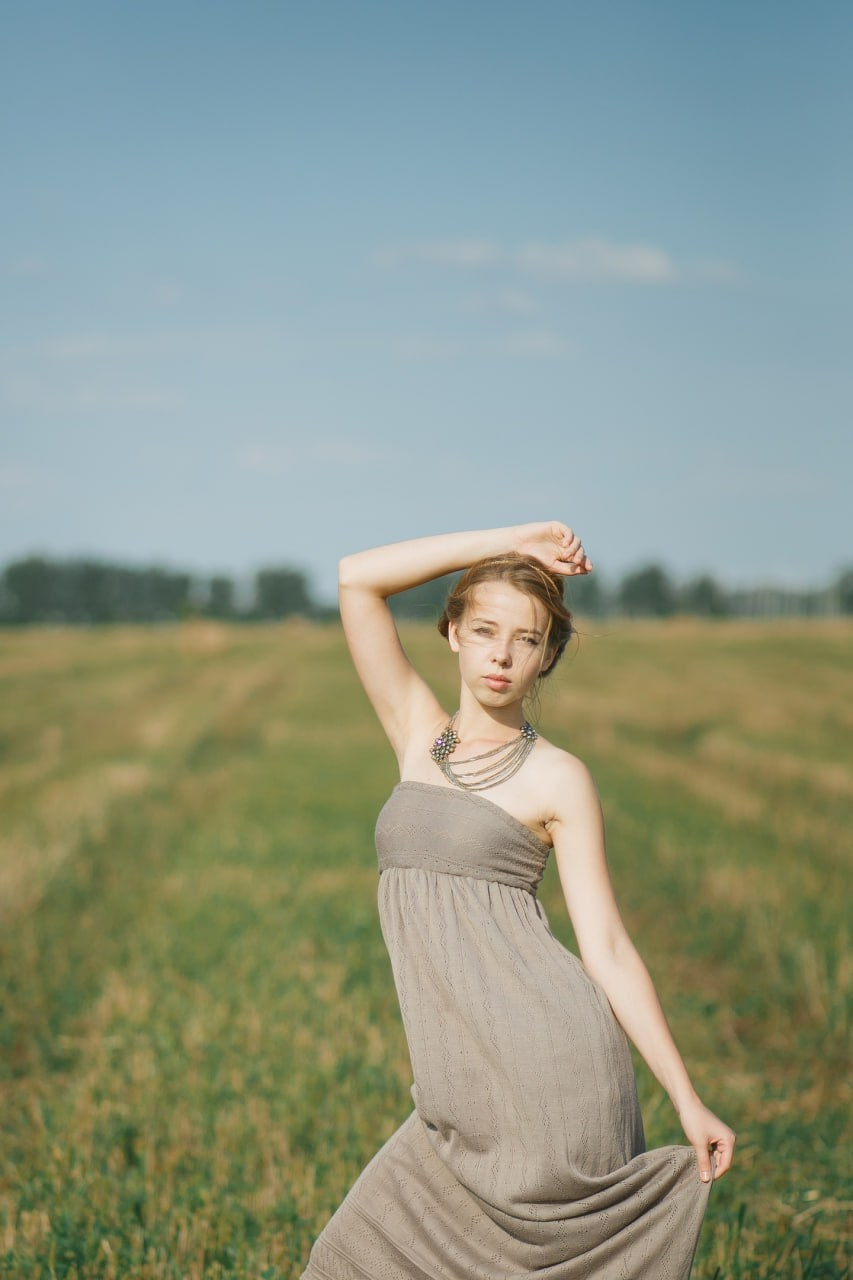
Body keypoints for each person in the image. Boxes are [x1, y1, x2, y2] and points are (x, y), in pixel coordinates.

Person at [301, 521, 735, 1280]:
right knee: (349, 1259)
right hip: (454, 1092)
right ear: (452, 635)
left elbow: (605, 948)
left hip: (550, 1073)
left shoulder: (557, 777)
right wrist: (509, 543)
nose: (501, 654)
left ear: (547, 657)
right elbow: (355, 578)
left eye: (526, 640)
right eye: (483, 630)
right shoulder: (419, 737)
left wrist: (685, 1097)